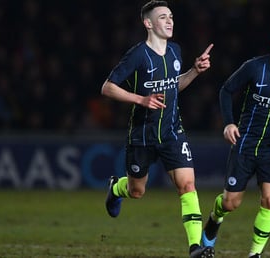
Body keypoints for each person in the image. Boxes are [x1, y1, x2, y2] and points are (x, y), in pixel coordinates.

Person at [101, 1, 214, 257]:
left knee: (187, 185)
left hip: (173, 131)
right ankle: (115, 189)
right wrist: (141, 99)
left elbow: (174, 85)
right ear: (148, 23)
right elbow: (107, 87)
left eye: (171, 16)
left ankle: (196, 247)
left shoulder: (175, 51)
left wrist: (194, 71)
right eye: (163, 17)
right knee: (136, 190)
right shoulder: (138, 55)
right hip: (143, 133)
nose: (170, 21)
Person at [202, 22, 270, 258]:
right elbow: (226, 90)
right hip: (245, 144)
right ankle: (215, 217)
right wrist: (229, 123)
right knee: (231, 203)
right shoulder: (254, 68)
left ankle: (255, 254)